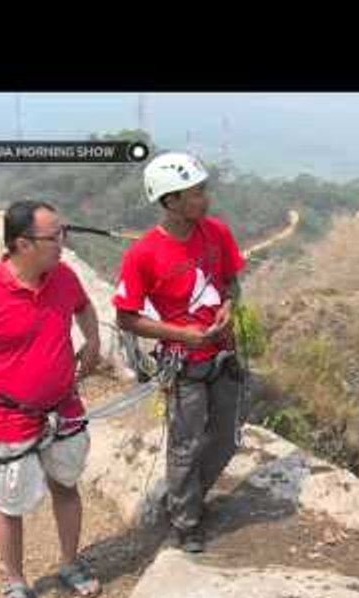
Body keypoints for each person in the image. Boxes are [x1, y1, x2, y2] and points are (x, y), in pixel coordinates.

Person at [0, 200, 102, 598]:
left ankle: (70, 562)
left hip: (63, 407)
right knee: (11, 502)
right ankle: (15, 580)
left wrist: (93, 341)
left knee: (66, 484)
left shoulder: (63, 277)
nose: (64, 244)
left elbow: (84, 306)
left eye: (63, 233)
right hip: (7, 418)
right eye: (56, 237)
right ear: (22, 244)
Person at [114, 152, 247, 553]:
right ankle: (186, 521)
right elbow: (126, 318)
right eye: (196, 193)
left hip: (222, 355)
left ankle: (189, 499)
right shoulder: (144, 254)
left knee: (226, 438)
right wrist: (181, 335)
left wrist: (227, 308)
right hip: (185, 364)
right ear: (170, 201)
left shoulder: (216, 233)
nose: (205, 199)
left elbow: (231, 282)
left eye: (203, 190)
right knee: (185, 445)